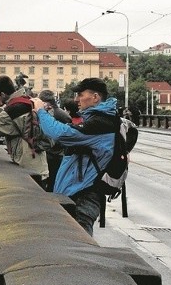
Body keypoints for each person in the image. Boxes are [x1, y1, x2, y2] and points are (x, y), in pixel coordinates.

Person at [32, 77, 117, 235]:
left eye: (80, 94)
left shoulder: (100, 123)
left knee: (80, 244)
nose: (76, 99)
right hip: (78, 191)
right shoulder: (101, 118)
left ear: (95, 97)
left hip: (84, 195)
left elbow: (60, 133)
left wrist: (40, 111)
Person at [0, 75, 49, 183]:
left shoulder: (13, 109)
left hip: (27, 169)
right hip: (38, 164)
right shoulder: (25, 100)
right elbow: (14, 122)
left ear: (2, 94)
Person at [37, 90, 71, 192]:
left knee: (52, 182)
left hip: (54, 154)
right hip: (56, 153)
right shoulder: (60, 113)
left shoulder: (58, 114)